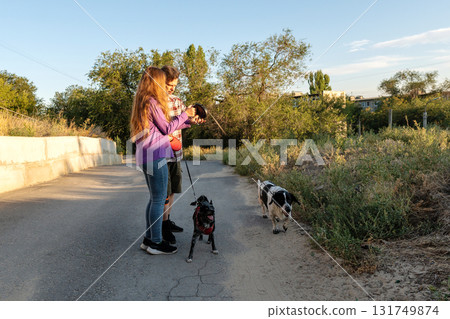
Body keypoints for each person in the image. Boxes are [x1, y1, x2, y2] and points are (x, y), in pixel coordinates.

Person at [130, 66, 196, 255]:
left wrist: (189, 120)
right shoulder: (153, 102)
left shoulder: (144, 101)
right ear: (155, 82)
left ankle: (149, 239)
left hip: (146, 155)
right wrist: (186, 115)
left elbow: (164, 126)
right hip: (156, 155)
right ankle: (156, 242)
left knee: (155, 199)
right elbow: (167, 129)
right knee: (159, 200)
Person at [160, 66, 189, 244]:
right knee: (164, 192)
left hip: (176, 153)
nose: (172, 88)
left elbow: (185, 121)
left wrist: (194, 118)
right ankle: (162, 226)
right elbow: (163, 128)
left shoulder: (177, 101)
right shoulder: (155, 103)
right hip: (161, 155)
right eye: (169, 84)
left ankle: (167, 220)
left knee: (173, 191)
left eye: (174, 85)